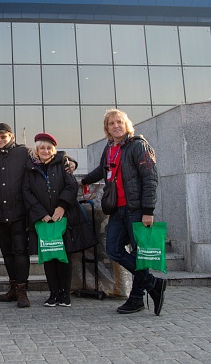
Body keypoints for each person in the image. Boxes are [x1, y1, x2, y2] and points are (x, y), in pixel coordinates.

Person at [80, 108, 167, 316]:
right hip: (117, 210)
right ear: (107, 128)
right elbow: (101, 170)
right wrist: (82, 181)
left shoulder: (139, 146)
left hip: (136, 210)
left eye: (119, 122)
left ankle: (136, 298)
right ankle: (153, 283)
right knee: (113, 249)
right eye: (111, 123)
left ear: (126, 124)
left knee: (138, 254)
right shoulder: (109, 147)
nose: (115, 126)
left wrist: (148, 210)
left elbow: (150, 179)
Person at [23, 133, 78, 307]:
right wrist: (40, 214)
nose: (45, 151)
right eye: (42, 148)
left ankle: (65, 294)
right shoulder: (30, 168)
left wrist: (61, 207)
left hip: (62, 218)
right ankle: (53, 293)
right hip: (43, 220)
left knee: (63, 257)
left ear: (53, 150)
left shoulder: (63, 164)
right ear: (36, 151)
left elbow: (71, 186)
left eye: (48, 148)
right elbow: (27, 192)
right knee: (48, 256)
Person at [0, 123, 31, 308]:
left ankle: (22, 290)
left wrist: (68, 161)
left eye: (3, 136)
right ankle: (13, 287)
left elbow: (47, 156)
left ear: (11, 136)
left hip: (19, 212)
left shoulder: (24, 152)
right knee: (7, 252)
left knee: (20, 251)